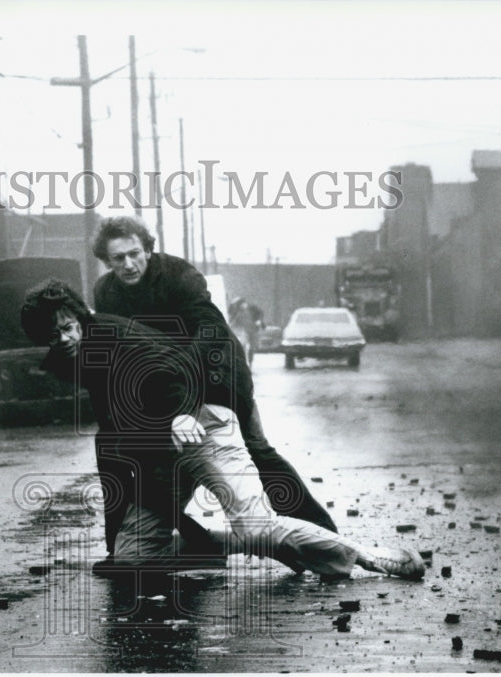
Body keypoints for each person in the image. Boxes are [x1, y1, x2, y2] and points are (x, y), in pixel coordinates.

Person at [20, 278, 425, 581]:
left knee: (256, 525)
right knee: (133, 558)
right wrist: (114, 544)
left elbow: (173, 370)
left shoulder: (113, 336)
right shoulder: (71, 359)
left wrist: (178, 415)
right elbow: (112, 443)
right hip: (162, 448)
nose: (65, 338)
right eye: (54, 334)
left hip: (201, 424)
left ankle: (364, 555)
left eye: (69, 326)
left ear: (81, 315)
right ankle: (243, 544)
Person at [91, 216, 339, 560]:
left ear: (148, 248)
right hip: (166, 386)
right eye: (118, 258)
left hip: (217, 372)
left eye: (135, 253)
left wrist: (183, 397)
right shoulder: (106, 292)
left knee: (257, 452)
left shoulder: (180, 276)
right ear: (107, 260)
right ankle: (161, 547)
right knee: (149, 462)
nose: (129, 264)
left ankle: (326, 536)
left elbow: (211, 332)